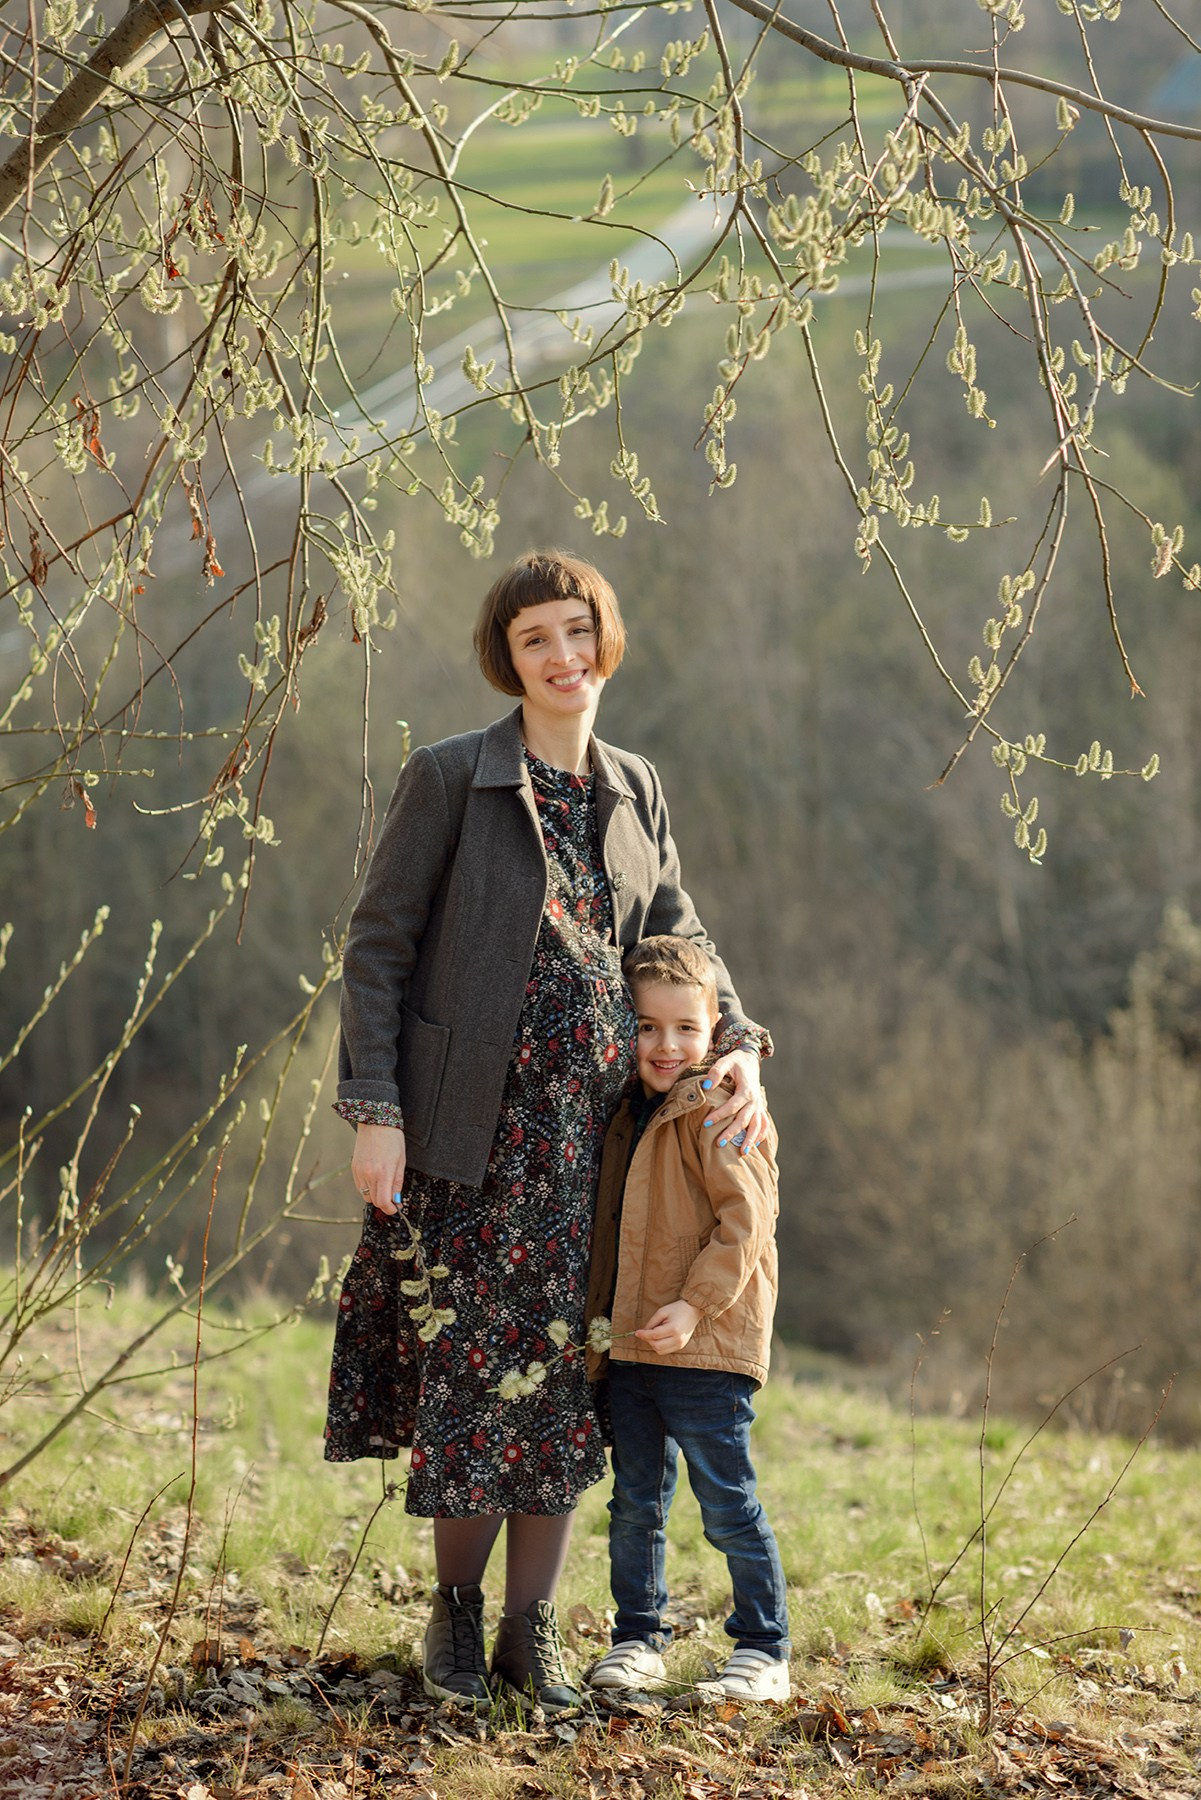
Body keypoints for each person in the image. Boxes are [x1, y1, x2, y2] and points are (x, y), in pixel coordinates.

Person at [324, 551, 771, 1714]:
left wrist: (740, 1051)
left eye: (577, 633)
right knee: (473, 1386)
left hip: (599, 1164)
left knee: (570, 1393)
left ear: (604, 641)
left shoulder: (634, 789)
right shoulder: (450, 780)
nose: (562, 657)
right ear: (506, 657)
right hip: (467, 1149)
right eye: (536, 640)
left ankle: (534, 1633)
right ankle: (458, 1623)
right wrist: (374, 1111)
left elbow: (683, 940)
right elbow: (375, 949)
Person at [584, 935, 790, 1703]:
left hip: (706, 1347)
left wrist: (694, 1304)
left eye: (685, 1030)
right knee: (635, 1504)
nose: (665, 1045)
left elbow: (748, 1223)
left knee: (727, 1505)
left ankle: (763, 1649)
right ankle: (637, 1639)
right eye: (646, 1027)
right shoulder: (626, 1114)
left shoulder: (717, 1112)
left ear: (717, 1033)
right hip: (638, 1348)